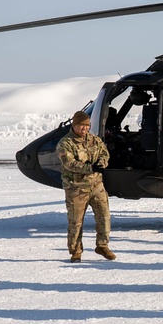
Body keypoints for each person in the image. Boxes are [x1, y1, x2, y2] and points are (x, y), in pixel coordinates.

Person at [55, 111, 114, 263]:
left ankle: (102, 245)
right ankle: (75, 251)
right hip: (76, 188)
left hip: (96, 185)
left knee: (104, 216)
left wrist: (102, 164)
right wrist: (91, 168)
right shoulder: (65, 143)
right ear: (74, 126)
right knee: (76, 221)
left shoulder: (94, 140)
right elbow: (69, 163)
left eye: (87, 126)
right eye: (81, 126)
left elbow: (104, 153)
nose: (84, 129)